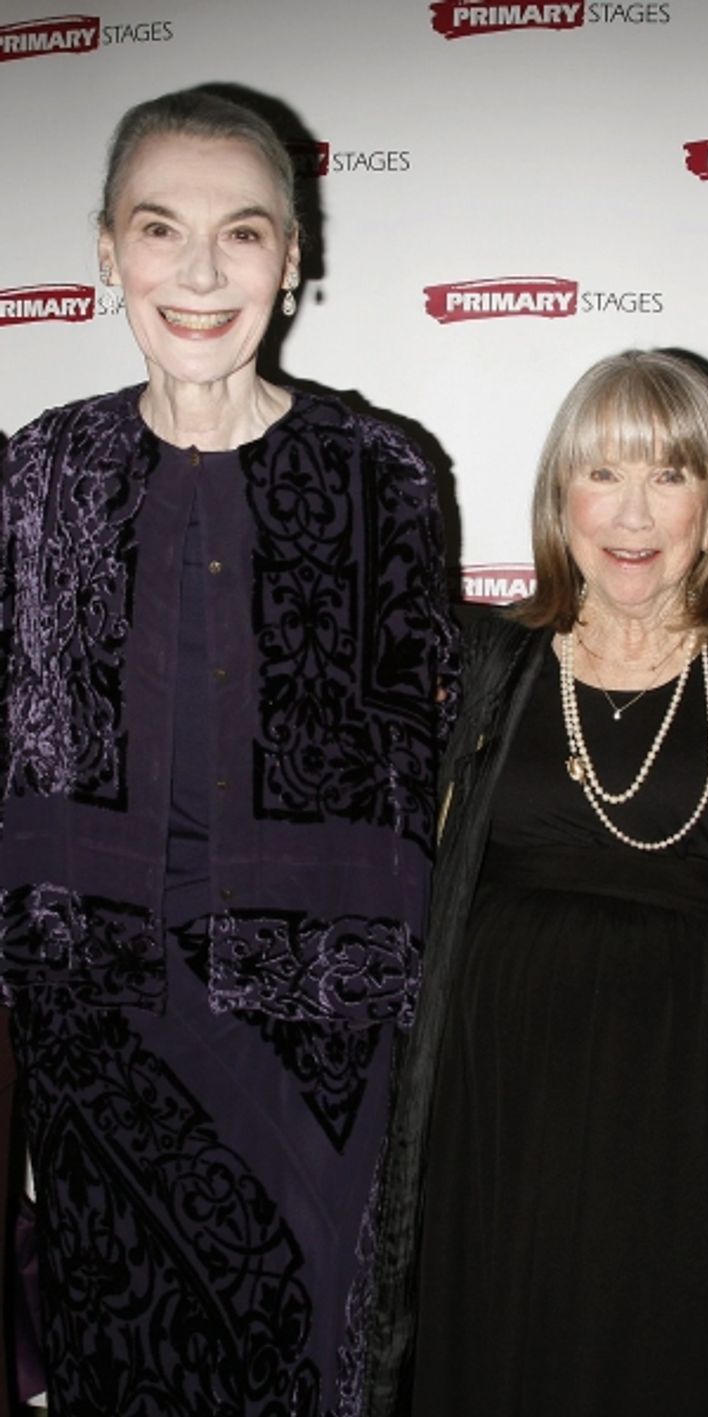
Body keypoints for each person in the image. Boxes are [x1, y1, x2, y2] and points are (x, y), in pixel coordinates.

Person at [0, 89, 457, 1414]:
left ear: (295, 257)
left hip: (323, 1033)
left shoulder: (386, 474)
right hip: (97, 1031)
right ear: (104, 251)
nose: (200, 272)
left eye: (242, 233)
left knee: (314, 1366)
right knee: (122, 1361)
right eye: (160, 229)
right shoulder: (38, 475)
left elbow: (427, 752)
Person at [365, 350, 708, 1417]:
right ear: (560, 493)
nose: (633, 511)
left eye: (669, 474)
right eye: (603, 472)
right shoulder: (486, 664)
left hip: (686, 1122)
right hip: (495, 1111)